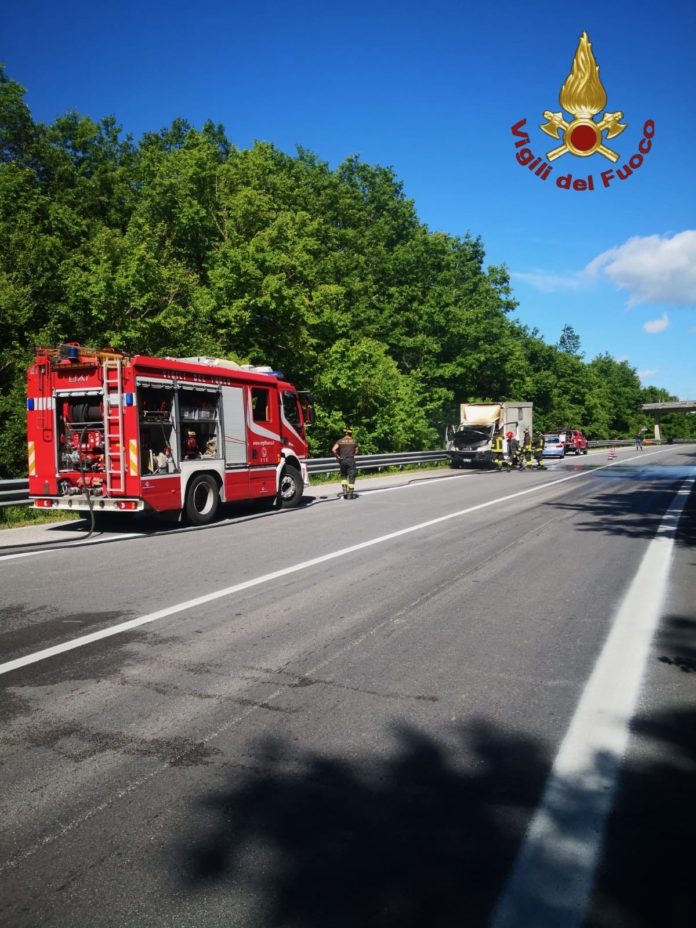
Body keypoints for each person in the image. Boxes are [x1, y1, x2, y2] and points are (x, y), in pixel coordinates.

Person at [332, 427, 360, 499]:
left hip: (342, 460)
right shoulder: (354, 441)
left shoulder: (340, 441)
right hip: (351, 460)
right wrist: (353, 453)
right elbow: (356, 452)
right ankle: (350, 494)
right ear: (351, 433)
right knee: (351, 476)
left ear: (344, 433)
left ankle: (344, 492)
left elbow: (333, 450)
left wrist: (338, 456)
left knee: (343, 476)